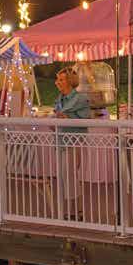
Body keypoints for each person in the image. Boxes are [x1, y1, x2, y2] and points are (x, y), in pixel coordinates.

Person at [53, 68, 90, 221]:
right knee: (64, 176)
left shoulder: (80, 99)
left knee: (69, 175)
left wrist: (65, 118)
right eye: (58, 79)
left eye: (61, 80)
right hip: (61, 141)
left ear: (69, 81)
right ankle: (71, 210)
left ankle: (75, 211)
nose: (57, 83)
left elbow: (84, 120)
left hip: (73, 142)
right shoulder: (59, 99)